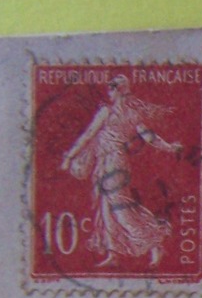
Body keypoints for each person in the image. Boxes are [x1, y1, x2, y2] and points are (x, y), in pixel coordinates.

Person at [60, 74, 182, 268]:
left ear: (117, 90)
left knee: (120, 207)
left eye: (111, 88)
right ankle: (113, 253)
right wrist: (169, 147)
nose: (108, 91)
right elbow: (149, 137)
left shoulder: (107, 112)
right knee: (107, 208)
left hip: (112, 162)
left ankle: (154, 242)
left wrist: (69, 156)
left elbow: (88, 135)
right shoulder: (132, 114)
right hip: (110, 161)